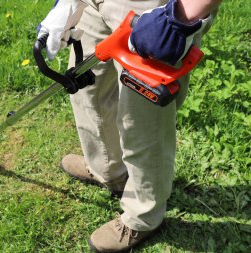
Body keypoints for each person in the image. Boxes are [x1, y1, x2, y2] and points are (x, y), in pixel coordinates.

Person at [38, 0, 222, 252]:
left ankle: (144, 216)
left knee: (143, 119)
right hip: (94, 4)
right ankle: (108, 169)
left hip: (155, 7)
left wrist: (180, 15)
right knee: (89, 88)